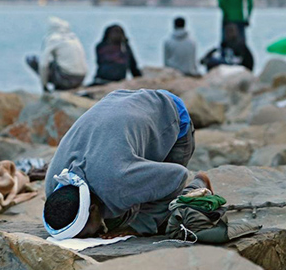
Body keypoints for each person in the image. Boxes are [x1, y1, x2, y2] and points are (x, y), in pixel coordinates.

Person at [42, 89, 212, 239]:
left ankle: (199, 184)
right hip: (122, 102)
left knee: (164, 219)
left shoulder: (117, 181)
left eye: (86, 235)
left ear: (92, 209)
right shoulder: (53, 185)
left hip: (169, 113)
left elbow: (177, 175)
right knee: (119, 215)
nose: (89, 237)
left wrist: (139, 227)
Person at [26, 17, 88, 91]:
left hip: (66, 79)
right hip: (81, 78)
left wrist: (44, 87)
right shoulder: (74, 37)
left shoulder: (53, 38)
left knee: (31, 59)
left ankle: (59, 86)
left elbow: (43, 65)